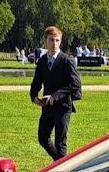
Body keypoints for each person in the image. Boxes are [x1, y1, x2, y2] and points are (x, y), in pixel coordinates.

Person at [29, 26, 82, 160]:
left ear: (61, 42)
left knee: (60, 142)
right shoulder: (42, 61)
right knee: (43, 138)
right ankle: (59, 162)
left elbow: (75, 85)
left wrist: (55, 96)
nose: (54, 44)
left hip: (63, 106)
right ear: (45, 41)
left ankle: (61, 171)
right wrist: (34, 96)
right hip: (48, 106)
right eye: (51, 40)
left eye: (57, 40)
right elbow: (36, 82)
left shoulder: (66, 60)